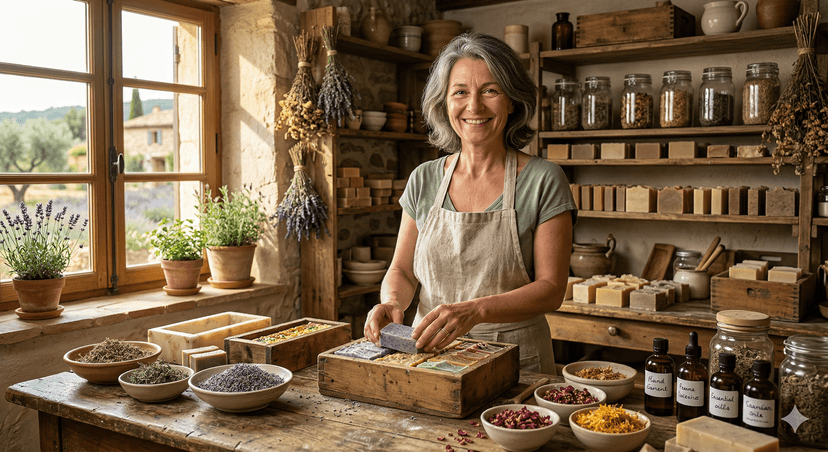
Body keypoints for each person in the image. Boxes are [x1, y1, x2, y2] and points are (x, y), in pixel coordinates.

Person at [363, 32, 577, 374]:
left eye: (490, 90)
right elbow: (402, 271)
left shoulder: (544, 179)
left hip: (517, 363)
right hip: (430, 359)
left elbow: (551, 290)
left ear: (512, 101)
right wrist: (390, 302)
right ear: (445, 103)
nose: (474, 106)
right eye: (460, 92)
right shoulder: (424, 178)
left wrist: (474, 311)